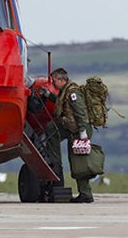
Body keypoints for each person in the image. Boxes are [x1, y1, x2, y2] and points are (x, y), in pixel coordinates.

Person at [42, 67, 94, 203]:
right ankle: (56, 164)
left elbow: (80, 112)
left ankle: (86, 194)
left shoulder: (73, 92)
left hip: (79, 131)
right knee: (52, 130)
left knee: (79, 162)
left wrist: (83, 133)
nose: (53, 83)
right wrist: (48, 95)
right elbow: (61, 104)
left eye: (54, 81)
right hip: (72, 129)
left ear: (61, 80)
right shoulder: (64, 92)